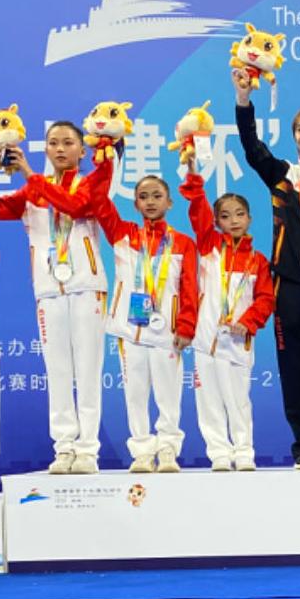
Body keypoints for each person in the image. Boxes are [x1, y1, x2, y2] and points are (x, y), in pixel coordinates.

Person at [0, 120, 113, 474]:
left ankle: (87, 449)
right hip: (49, 288)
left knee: (88, 371)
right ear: (45, 148)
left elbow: (75, 207)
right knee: (58, 371)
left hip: (87, 287)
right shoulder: (32, 192)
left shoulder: (91, 183)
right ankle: (64, 447)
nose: (60, 149)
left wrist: (31, 175)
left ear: (82, 150)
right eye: (53, 143)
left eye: (68, 143)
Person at [232, 69, 300, 469]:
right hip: (290, 289)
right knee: (293, 369)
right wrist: (243, 100)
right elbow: (251, 147)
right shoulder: (282, 176)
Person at [94, 176, 198, 473]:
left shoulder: (183, 243)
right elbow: (99, 200)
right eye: (143, 196)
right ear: (135, 204)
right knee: (135, 394)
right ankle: (141, 450)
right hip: (130, 331)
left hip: (167, 333)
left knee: (169, 394)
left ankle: (167, 449)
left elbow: (189, 288)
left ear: (169, 202)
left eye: (156, 195)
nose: (150, 202)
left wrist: (186, 326)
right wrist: (105, 158)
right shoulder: (122, 234)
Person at [183, 167, 275, 471]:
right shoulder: (209, 247)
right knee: (209, 401)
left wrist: (248, 322)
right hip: (205, 342)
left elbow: (266, 299)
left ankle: (244, 451)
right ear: (216, 221)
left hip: (237, 342)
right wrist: (193, 172)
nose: (233, 220)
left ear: (249, 218)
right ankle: (219, 453)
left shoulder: (258, 260)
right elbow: (197, 206)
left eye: (239, 214)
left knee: (238, 401)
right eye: (225, 216)